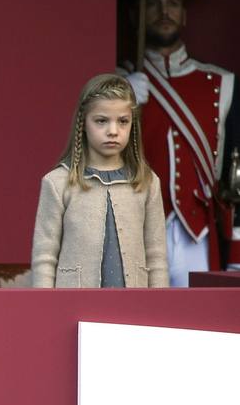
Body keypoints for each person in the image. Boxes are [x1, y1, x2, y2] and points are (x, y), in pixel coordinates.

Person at [118, 0, 236, 285]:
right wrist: (120, 102)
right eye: (152, 4)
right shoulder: (116, 83)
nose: (164, 12)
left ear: (184, 14)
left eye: (173, 3)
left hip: (197, 229)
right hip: (137, 226)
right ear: (133, 15)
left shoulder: (220, 83)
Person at [31, 74, 168, 288]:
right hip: (73, 305)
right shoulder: (57, 182)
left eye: (123, 121)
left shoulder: (147, 183)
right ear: (83, 123)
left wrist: (160, 307)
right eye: (101, 121)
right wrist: (45, 309)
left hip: (134, 307)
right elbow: (44, 258)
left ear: (133, 124)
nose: (113, 131)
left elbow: (157, 256)